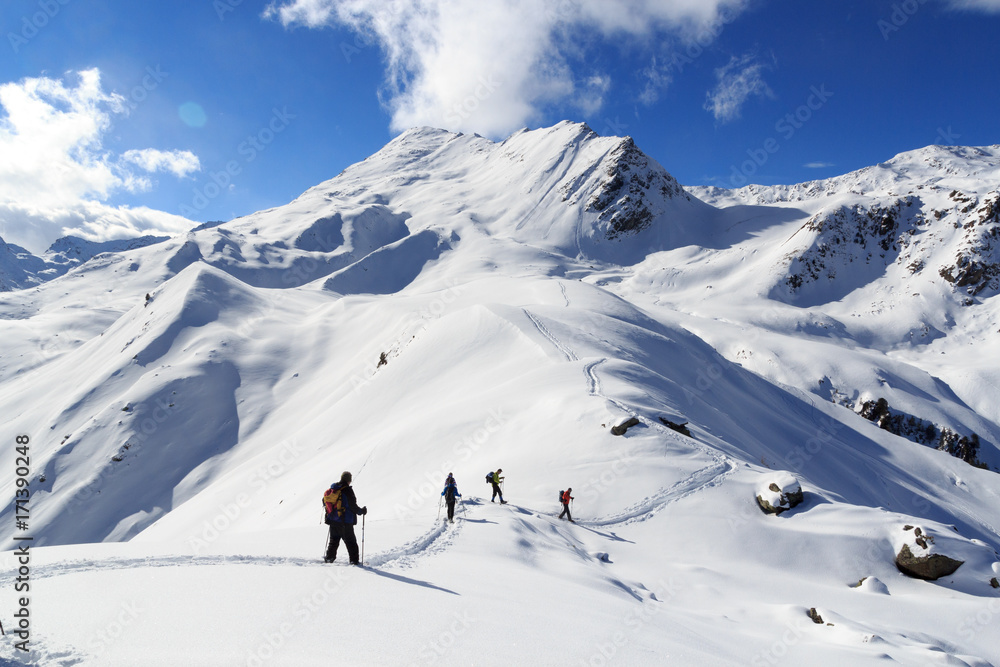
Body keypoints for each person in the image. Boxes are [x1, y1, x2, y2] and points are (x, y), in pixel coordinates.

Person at [324, 471, 367, 564]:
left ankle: (329, 558)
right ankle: (354, 561)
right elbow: (353, 506)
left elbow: (324, 502)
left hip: (333, 520)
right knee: (351, 543)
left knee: (333, 541)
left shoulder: (333, 489)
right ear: (349, 480)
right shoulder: (347, 490)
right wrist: (362, 511)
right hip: (345, 522)